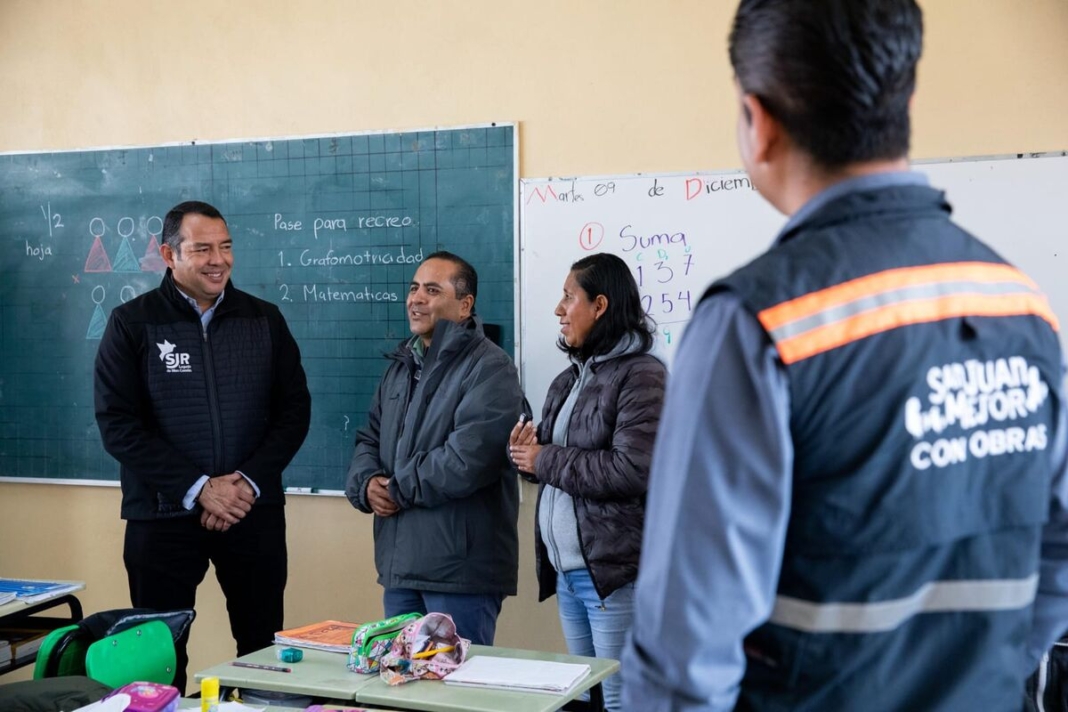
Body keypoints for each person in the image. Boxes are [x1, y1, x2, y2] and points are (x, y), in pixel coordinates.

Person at [623, 1, 1068, 710]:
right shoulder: (1022, 308)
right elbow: (1057, 557)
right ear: (905, 103)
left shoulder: (756, 324)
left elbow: (685, 655)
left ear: (757, 121)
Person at [94, 200, 311, 693]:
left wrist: (244, 484)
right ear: (169, 254)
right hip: (161, 516)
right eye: (203, 249)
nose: (219, 260)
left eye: (226, 246)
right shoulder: (132, 323)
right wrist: (198, 488)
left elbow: (293, 412)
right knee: (157, 660)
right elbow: (118, 425)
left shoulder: (265, 320)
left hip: (251, 511)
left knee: (261, 653)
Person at [508, 252, 665, 711]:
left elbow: (630, 470)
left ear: (599, 305)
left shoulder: (643, 375)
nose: (558, 309)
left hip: (614, 575)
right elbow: (551, 466)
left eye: (567, 297)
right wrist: (523, 456)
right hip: (569, 574)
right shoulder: (566, 379)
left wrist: (544, 459)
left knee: (621, 702)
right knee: (586, 697)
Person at [345, 251, 524, 645]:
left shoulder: (490, 368)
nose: (416, 298)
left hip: (459, 574)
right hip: (400, 567)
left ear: (464, 305)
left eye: (431, 289)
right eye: (413, 289)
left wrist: (395, 488)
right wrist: (368, 483)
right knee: (402, 688)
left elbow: (467, 460)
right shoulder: (400, 366)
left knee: (456, 697)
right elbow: (368, 439)